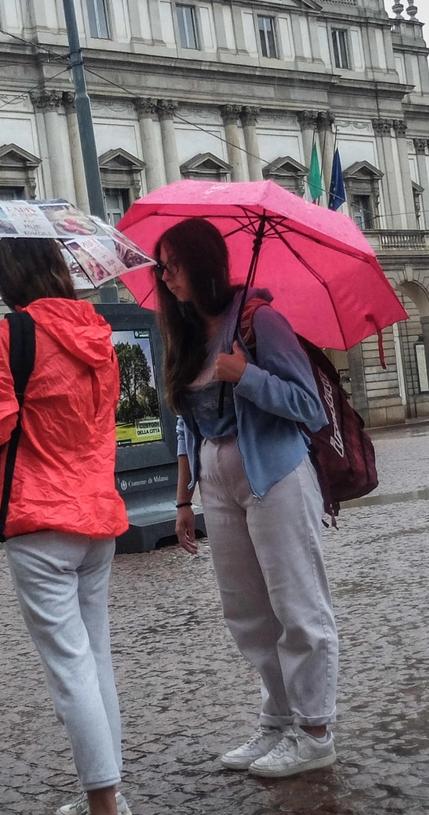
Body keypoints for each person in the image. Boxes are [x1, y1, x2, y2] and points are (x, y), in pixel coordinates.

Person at [155, 218, 339, 779]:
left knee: (297, 605)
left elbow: (311, 407)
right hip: (217, 478)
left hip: (275, 472)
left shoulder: (262, 321)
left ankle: (315, 732)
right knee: (248, 613)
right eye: (161, 267)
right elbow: (189, 423)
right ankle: (280, 719)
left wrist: (247, 376)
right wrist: (184, 497)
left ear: (202, 264)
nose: (166, 277)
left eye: (173, 265)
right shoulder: (188, 334)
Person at [0, 238, 132, 815]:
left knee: (69, 668)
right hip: (98, 517)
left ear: (9, 284)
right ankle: (114, 791)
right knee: (96, 658)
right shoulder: (98, 333)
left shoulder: (15, 333)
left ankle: (103, 803)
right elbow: (99, 418)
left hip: (41, 519)